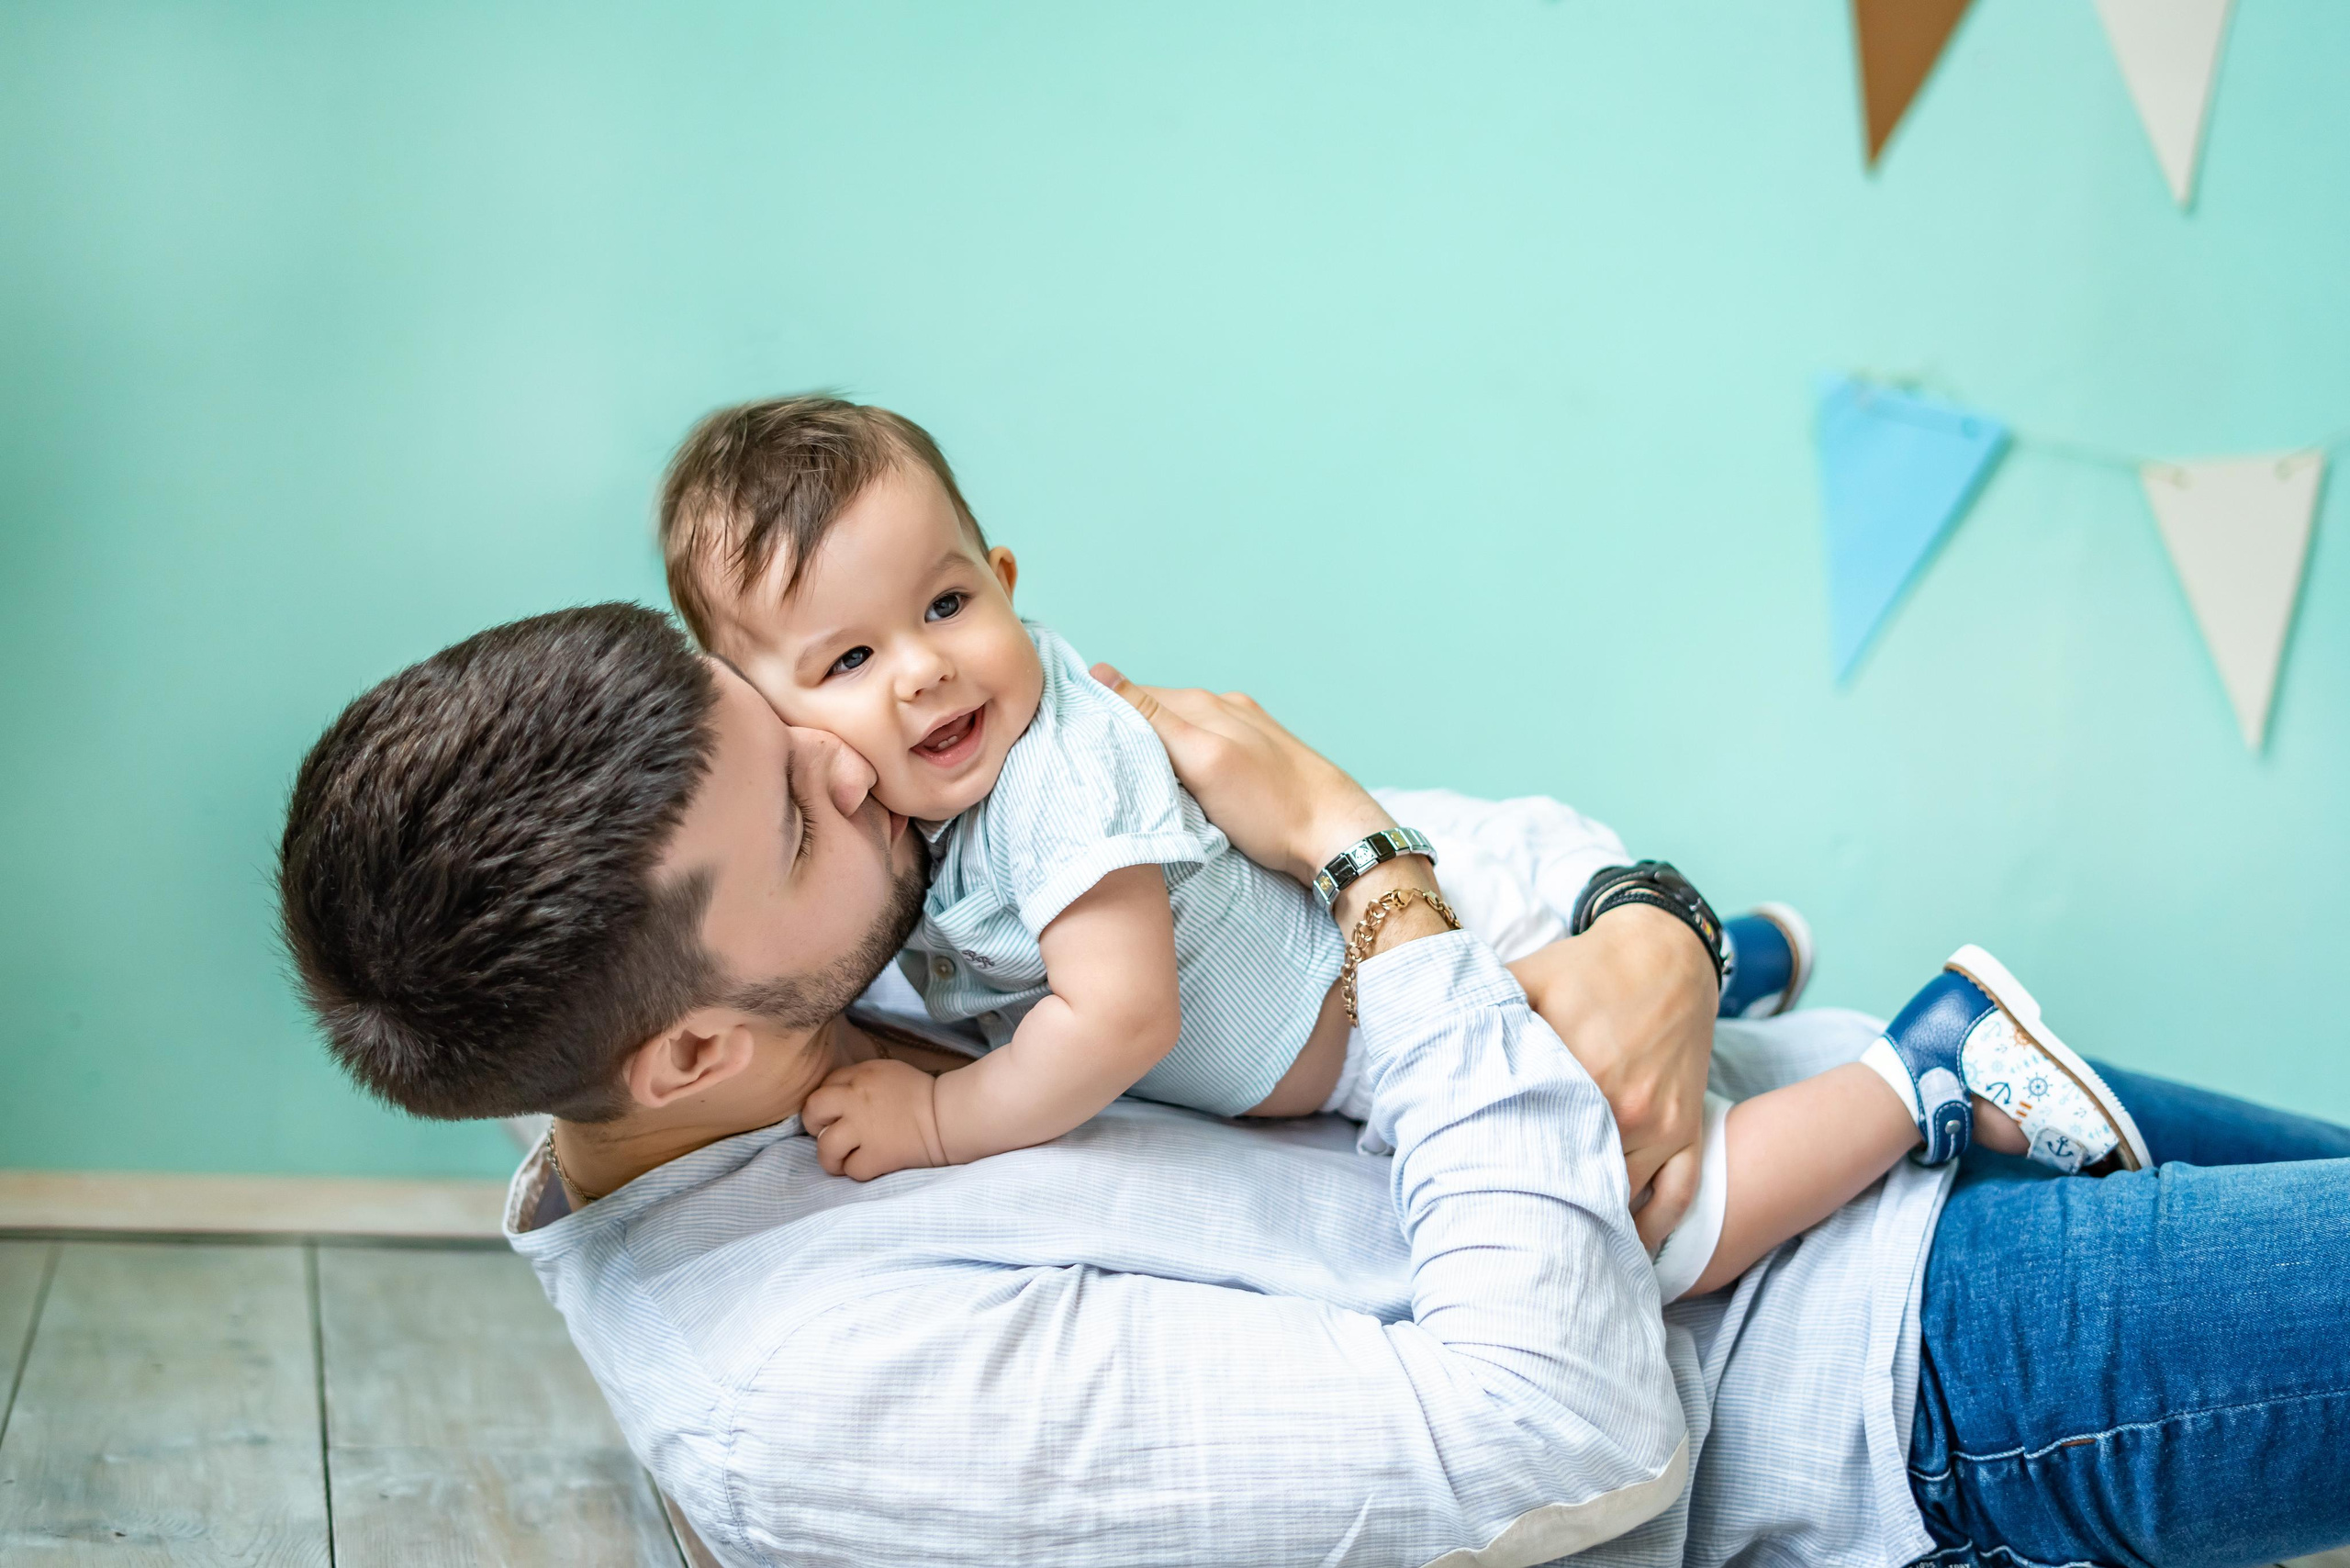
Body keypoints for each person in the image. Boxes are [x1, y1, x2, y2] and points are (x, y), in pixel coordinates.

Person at [276, 603, 2350, 1568]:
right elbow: (1556, 1434)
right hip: (1905, 1380)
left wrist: (1648, 924)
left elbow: (1417, 882)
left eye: (776, 711)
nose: (858, 747)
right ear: (689, 1053)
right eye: (801, 809)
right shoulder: (809, 1391)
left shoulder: (821, 932)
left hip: (1896, 1080)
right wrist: (1370, 866)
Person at [648, 395, 2144, 1303]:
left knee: (1654, 1231)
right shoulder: (916, 821)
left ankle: (1930, 1071)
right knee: (1622, 999)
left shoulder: (1048, 788)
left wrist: (938, 1123)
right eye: (850, 659)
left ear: (1004, 578)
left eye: (946, 606)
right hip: (1399, 960)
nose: (923, 670)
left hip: (1400, 985)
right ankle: (1742, 959)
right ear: (763, 711)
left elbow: (1123, 1017)